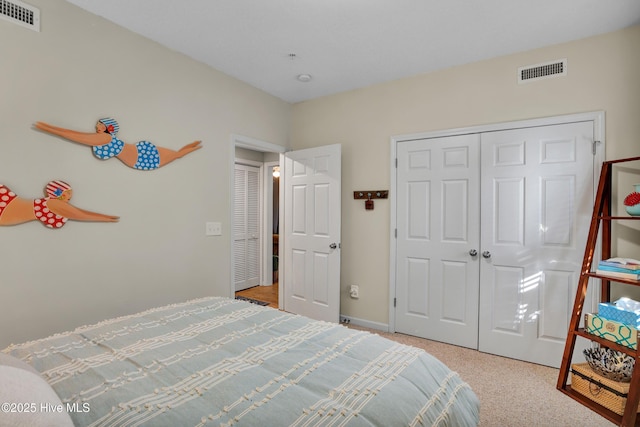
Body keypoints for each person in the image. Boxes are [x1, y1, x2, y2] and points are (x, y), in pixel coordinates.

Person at [34, 118, 202, 170]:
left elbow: (77, 137)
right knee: (177, 155)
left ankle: (194, 146)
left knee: (177, 155)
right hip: (141, 154)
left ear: (107, 128)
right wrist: (50, 128)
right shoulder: (104, 138)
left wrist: (52, 129)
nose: (96, 126)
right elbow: (77, 135)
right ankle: (193, 146)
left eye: (99, 124)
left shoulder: (105, 138)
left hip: (140, 156)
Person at [0, 181, 119, 228]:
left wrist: (105, 218)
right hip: (7, 211)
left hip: (8, 209)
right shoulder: (53, 203)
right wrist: (104, 218)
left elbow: (78, 213)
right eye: (68, 194)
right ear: (59, 193)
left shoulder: (52, 203)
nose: (70, 197)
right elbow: (78, 214)